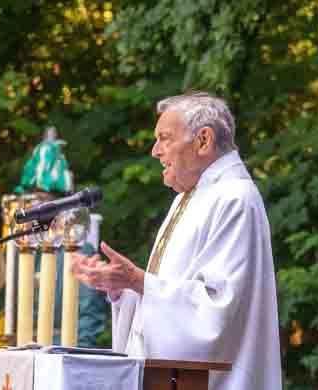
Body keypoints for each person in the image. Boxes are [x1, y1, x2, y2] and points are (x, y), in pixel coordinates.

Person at [71, 92, 282, 389]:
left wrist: (138, 281)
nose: (156, 151)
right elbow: (168, 296)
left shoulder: (235, 198)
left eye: (165, 138)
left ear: (203, 141)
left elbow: (218, 308)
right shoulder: (188, 197)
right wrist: (123, 287)